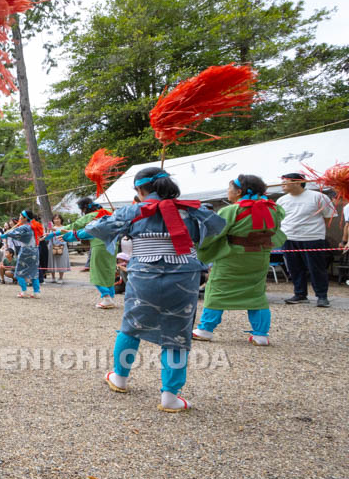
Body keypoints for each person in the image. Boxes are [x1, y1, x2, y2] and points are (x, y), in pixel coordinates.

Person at [85, 168, 225, 413]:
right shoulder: (193, 210)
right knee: (178, 333)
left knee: (131, 326)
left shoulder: (133, 211)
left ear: (140, 190)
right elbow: (217, 227)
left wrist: (125, 223)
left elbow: (96, 228)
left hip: (144, 275)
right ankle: (170, 397)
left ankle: (119, 378)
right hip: (184, 274)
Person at [194, 175, 286, 346]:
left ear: (238, 191)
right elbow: (277, 230)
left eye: (230, 188)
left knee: (217, 290)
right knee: (257, 293)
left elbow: (214, 234)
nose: (228, 191)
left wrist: (200, 247)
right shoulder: (274, 209)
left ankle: (205, 330)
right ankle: (261, 335)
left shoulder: (230, 211)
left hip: (233, 256)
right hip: (260, 256)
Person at [276, 172, 335, 307]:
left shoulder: (319, 196)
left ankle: (322, 296)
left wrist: (315, 229)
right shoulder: (281, 200)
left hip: (312, 237)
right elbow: (279, 219)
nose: (282, 185)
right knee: (294, 268)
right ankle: (300, 294)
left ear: (297, 182)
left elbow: (328, 217)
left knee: (316, 268)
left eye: (285, 182)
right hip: (288, 237)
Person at [59, 198, 118, 309]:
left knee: (96, 271)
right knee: (109, 270)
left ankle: (106, 297)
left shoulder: (90, 216)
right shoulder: (109, 214)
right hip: (113, 245)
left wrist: (56, 230)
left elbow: (74, 226)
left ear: (84, 208)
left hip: (99, 245)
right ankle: (110, 297)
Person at [0, 210, 41, 298]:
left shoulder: (24, 227)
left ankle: (24, 291)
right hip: (35, 250)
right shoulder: (32, 226)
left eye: (20, 216)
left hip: (26, 251)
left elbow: (11, 233)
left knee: (19, 271)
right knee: (34, 272)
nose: (19, 217)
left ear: (25, 218)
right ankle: (36, 292)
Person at [46, 214, 70, 283]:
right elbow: (47, 238)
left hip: (62, 246)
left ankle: (61, 278)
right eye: (55, 219)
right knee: (52, 261)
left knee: (61, 262)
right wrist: (48, 230)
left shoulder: (65, 227)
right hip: (52, 246)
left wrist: (55, 230)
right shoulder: (51, 228)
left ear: (61, 219)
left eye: (58, 219)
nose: (56, 220)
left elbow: (67, 236)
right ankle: (53, 277)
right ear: (53, 220)